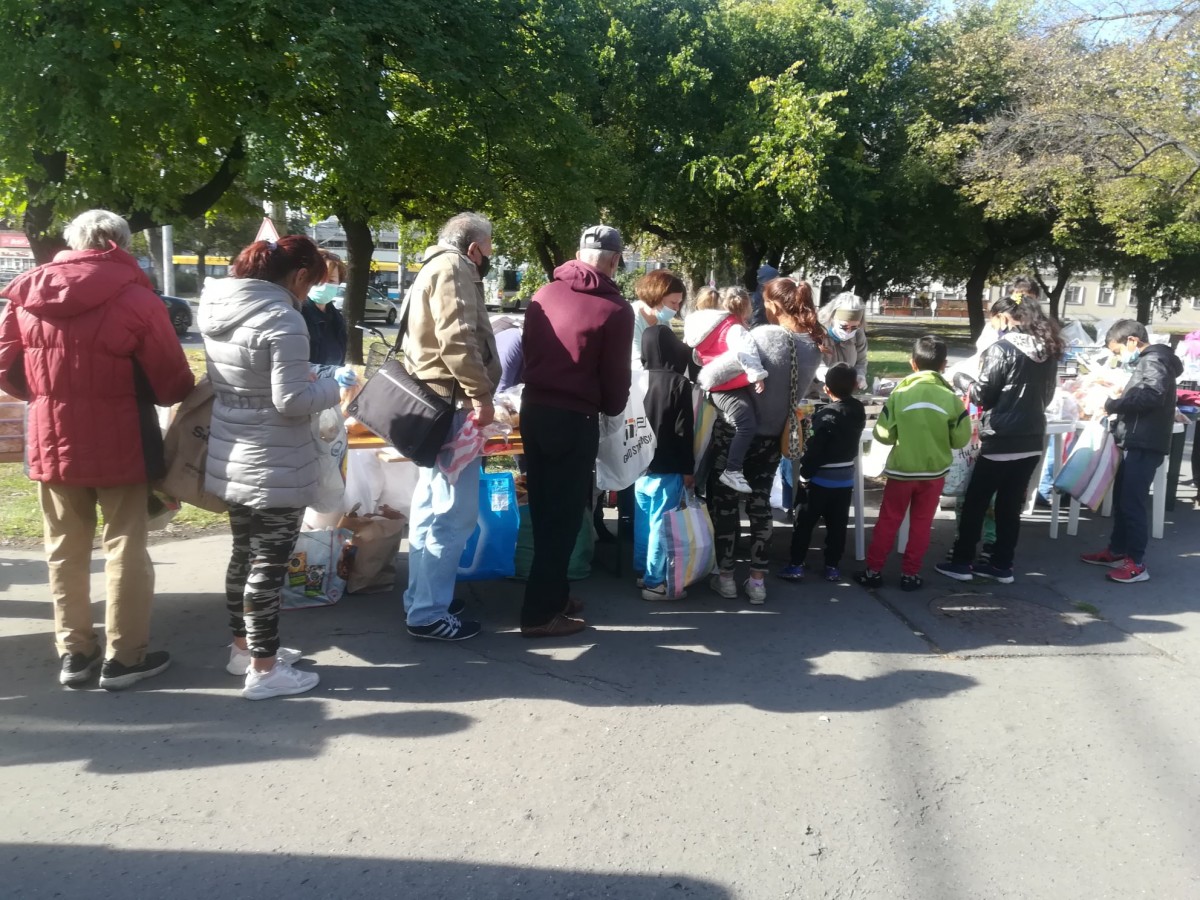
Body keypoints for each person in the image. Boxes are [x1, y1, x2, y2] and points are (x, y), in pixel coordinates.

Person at [0, 209, 194, 689]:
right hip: (122, 438)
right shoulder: (138, 298)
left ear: (73, 241)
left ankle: (75, 652)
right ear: (119, 243)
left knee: (63, 548)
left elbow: (5, 367)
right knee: (126, 545)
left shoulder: (26, 294)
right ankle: (124, 658)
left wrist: (45, 399)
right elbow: (172, 381)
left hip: (52, 439)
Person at [201, 235, 349, 699]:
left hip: (232, 449)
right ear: (300, 276)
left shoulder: (219, 306)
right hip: (275, 458)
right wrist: (337, 388)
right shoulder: (283, 318)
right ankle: (264, 671)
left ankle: (244, 650)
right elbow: (291, 401)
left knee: (244, 555)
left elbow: (248, 380)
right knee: (268, 564)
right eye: (313, 282)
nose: (311, 292)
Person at [521, 224, 634, 636]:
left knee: (543, 509)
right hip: (574, 417)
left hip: (534, 410)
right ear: (615, 260)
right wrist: (612, 407)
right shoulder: (615, 309)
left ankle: (553, 595)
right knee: (565, 516)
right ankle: (539, 614)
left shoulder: (544, 293)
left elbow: (528, 349)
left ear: (578, 254)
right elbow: (616, 378)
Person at [400, 212, 500, 640]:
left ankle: (423, 599)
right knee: (453, 515)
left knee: (431, 509)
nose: (489, 257)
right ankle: (428, 612)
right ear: (474, 248)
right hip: (452, 404)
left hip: (437, 403)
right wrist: (482, 395)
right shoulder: (455, 267)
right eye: (489, 248)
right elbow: (457, 339)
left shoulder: (433, 265)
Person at [703, 277, 824, 604]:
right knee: (760, 507)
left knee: (725, 504)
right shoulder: (813, 346)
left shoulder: (763, 336)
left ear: (773, 304)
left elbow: (713, 376)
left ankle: (725, 577)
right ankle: (757, 582)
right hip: (773, 437)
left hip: (735, 435)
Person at [937, 292, 1062, 584]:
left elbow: (983, 394)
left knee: (975, 502)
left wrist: (961, 380)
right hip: (1031, 438)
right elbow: (1047, 396)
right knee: (1010, 506)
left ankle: (962, 561)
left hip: (1001, 438)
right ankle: (1002, 564)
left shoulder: (1001, 349)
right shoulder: (1047, 349)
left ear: (1004, 318)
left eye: (994, 320)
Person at [855, 336, 972, 591]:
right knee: (921, 524)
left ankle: (874, 571)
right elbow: (961, 438)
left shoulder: (899, 395)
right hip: (934, 473)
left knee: (888, 521)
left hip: (902, 471)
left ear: (912, 363)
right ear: (944, 365)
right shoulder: (951, 398)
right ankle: (910, 574)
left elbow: (883, 435)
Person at [1079, 320, 1183, 584]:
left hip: (1145, 442)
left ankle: (1136, 563)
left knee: (1132, 503)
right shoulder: (1154, 359)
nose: (1118, 356)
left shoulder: (1154, 360)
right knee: (1124, 501)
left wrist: (1113, 404)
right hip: (1138, 440)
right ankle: (1117, 550)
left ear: (1132, 341)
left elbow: (1152, 395)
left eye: (1117, 351)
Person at [778, 363, 866, 583]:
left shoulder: (826, 415)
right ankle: (832, 566)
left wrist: (804, 475)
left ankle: (796, 564)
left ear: (826, 389)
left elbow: (816, 451)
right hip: (844, 480)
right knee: (838, 526)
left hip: (820, 480)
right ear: (855, 385)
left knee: (804, 524)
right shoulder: (858, 410)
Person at [684, 285, 768, 494]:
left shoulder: (710, 327)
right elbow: (746, 351)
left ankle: (710, 480)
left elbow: (697, 356)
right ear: (747, 307)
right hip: (727, 385)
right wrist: (757, 375)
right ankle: (733, 470)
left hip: (716, 385)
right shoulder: (734, 328)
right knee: (747, 424)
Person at [635, 325, 695, 601]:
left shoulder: (635, 380)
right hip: (667, 465)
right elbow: (684, 431)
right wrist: (688, 469)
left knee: (643, 522)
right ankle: (654, 582)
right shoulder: (678, 383)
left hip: (637, 465)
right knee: (661, 525)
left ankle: (642, 571)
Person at [302, 249, 348, 365]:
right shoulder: (298, 315)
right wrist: (332, 372)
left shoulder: (337, 318)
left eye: (331, 280)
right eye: (319, 280)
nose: (324, 285)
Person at [815, 292, 869, 391]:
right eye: (844, 326)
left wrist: (860, 375)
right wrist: (820, 370)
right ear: (832, 318)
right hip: (815, 391)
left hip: (843, 392)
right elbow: (810, 360)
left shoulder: (858, 334)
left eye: (854, 327)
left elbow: (861, 361)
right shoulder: (817, 332)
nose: (848, 331)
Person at [630, 269, 685, 365]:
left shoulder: (664, 322)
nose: (677, 308)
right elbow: (636, 362)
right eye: (673, 302)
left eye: (679, 303)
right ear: (656, 298)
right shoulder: (632, 317)